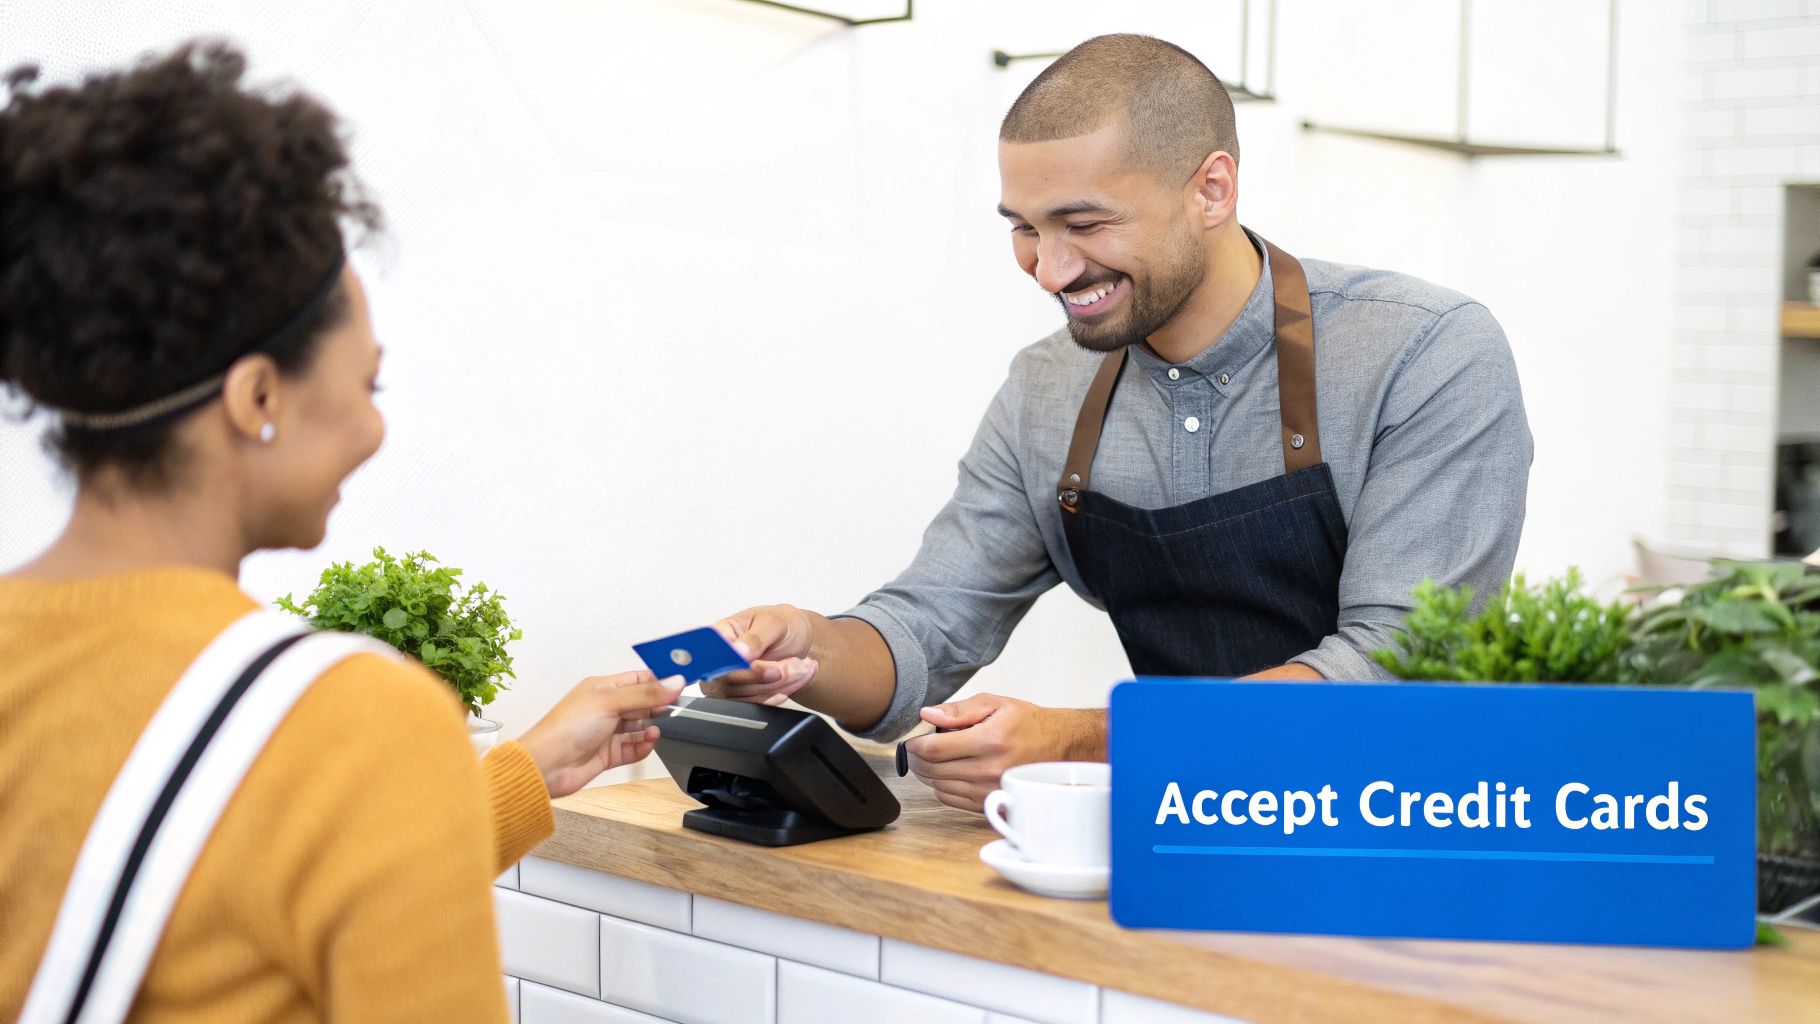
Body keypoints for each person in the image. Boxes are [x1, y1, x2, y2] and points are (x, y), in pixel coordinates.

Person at [0, 44, 681, 1022]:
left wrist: (516, 775)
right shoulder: (352, 722)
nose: (372, 427)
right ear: (258, 395)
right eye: (367, 384)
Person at [707, 34, 1534, 812]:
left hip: (1402, 827)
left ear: (1212, 190)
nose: (1050, 269)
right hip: (1175, 828)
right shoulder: (1047, 388)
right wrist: (802, 653)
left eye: (1086, 223)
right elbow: (929, 624)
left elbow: (1394, 676)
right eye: (1025, 229)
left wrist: (1080, 741)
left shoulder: (1424, 352)